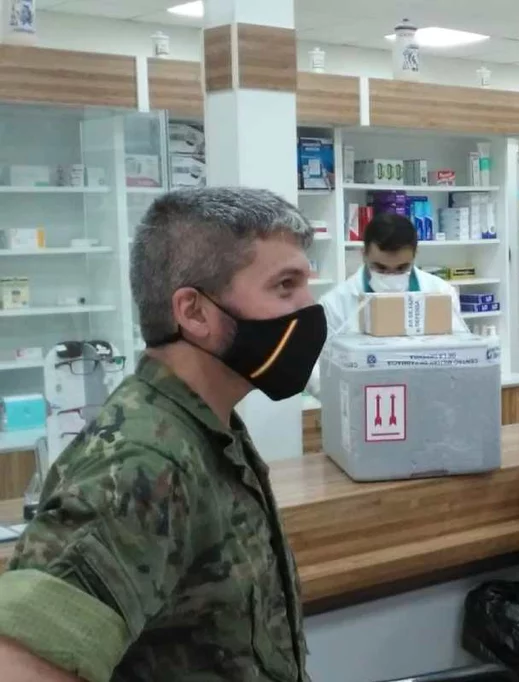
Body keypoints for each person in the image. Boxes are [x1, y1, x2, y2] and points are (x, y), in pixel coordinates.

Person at [0, 187, 325, 681]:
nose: (308, 306)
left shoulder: (205, 425)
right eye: (285, 286)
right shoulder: (144, 459)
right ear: (194, 312)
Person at [307, 212, 469, 396]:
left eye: (402, 268)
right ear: (364, 254)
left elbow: (462, 353)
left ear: (415, 255)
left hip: (428, 397)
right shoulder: (335, 303)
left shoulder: (441, 292)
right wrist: (348, 398)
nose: (391, 277)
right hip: (362, 402)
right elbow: (314, 368)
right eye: (380, 268)